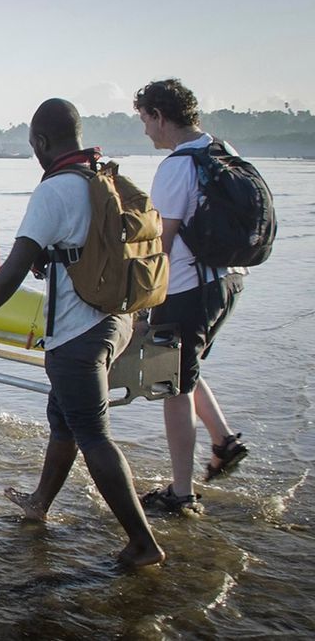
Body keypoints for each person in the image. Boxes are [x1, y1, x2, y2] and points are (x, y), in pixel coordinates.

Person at [0, 98, 165, 567]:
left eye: (34, 146)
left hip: (78, 335)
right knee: (64, 421)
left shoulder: (54, 191)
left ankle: (142, 543)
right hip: (117, 321)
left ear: (42, 142)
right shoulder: (98, 177)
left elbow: (10, 269)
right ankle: (40, 503)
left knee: (93, 435)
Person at [133, 79, 249, 513]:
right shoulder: (224, 149)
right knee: (188, 367)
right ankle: (223, 441)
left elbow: (160, 247)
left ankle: (181, 493)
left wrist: (142, 309)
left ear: (161, 116)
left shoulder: (176, 167)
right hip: (229, 282)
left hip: (187, 288)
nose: (146, 130)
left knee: (172, 385)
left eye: (146, 120)